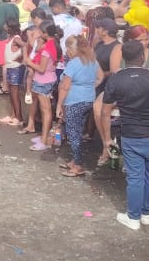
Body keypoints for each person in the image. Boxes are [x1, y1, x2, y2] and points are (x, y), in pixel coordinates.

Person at [100, 39, 149, 231]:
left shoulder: (116, 80)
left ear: (123, 58)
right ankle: (146, 215)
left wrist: (107, 139)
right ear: (143, 57)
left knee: (135, 177)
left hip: (132, 135)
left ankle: (133, 217)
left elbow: (105, 112)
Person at [57, 34, 100, 177]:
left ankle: (78, 165)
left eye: (68, 48)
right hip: (88, 99)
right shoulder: (92, 61)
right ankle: (75, 160)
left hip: (74, 101)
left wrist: (59, 105)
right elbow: (100, 77)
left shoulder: (73, 63)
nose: (67, 51)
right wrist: (88, 87)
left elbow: (65, 86)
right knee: (78, 130)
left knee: (73, 133)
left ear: (72, 49)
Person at [24, 21, 62, 151]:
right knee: (45, 110)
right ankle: (43, 137)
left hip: (43, 81)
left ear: (45, 33)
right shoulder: (53, 45)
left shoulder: (46, 50)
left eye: (40, 31)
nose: (39, 34)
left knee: (46, 111)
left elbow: (41, 69)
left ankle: (45, 140)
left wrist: (29, 62)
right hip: (47, 79)